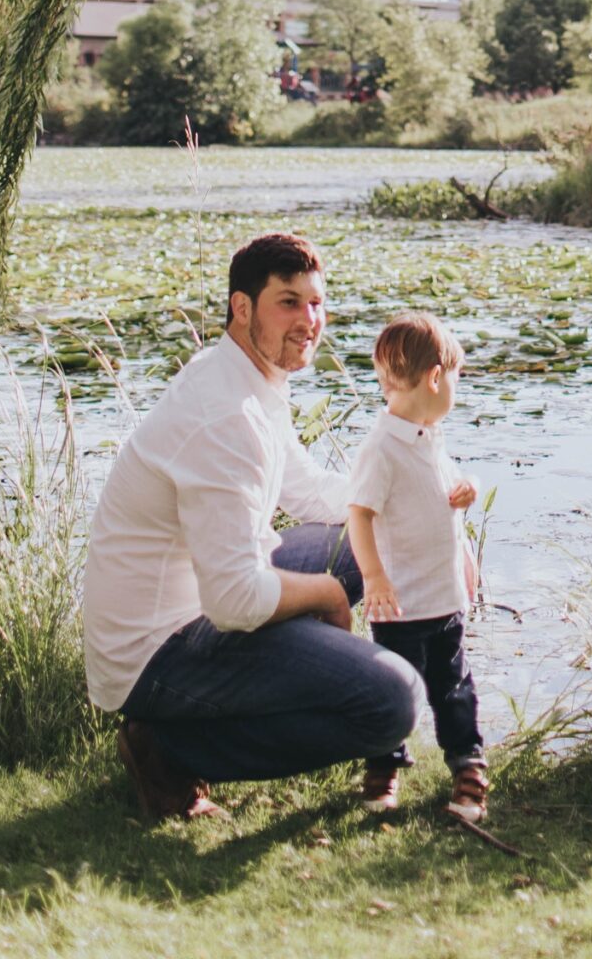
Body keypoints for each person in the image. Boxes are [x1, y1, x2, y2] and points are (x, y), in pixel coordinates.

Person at [82, 230, 421, 819]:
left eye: (316, 302)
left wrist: (419, 514)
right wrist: (327, 594)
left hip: (201, 600)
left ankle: (337, 708)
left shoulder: (245, 378)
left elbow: (309, 490)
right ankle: (170, 749)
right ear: (243, 308)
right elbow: (236, 601)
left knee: (379, 537)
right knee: (391, 702)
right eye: (288, 302)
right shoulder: (226, 417)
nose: (309, 320)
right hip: (155, 654)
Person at [346, 309, 488, 821]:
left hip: (444, 597)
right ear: (434, 378)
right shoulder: (381, 449)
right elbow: (359, 515)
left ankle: (467, 764)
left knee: (453, 688)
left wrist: (462, 491)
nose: (454, 390)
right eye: (455, 379)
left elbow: (435, 493)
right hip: (401, 601)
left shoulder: (429, 435)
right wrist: (374, 577)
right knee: (395, 691)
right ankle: (384, 767)